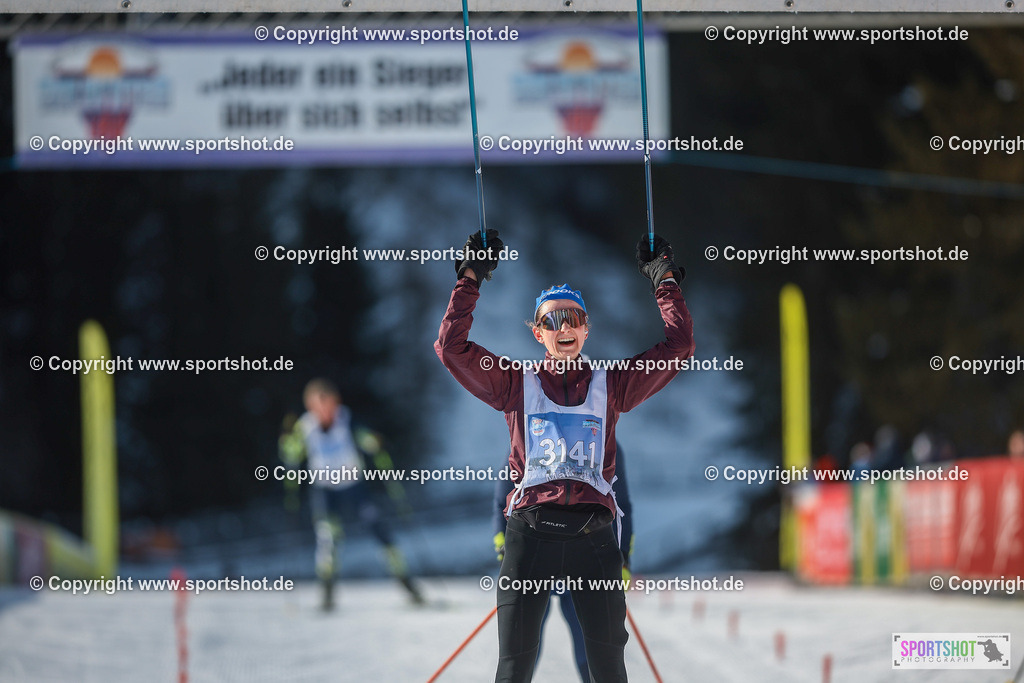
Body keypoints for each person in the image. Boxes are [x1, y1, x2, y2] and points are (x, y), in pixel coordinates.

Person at [435, 228, 694, 683]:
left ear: (586, 328)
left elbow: (679, 348)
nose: (564, 328)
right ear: (539, 333)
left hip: (593, 541)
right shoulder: (515, 383)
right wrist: (470, 277)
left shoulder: (612, 385)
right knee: (514, 668)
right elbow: (451, 349)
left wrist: (664, 280)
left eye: (572, 317)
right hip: (530, 537)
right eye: (552, 321)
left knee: (607, 670)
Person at [491, 441, 634, 683]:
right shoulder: (531, 431)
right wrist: (504, 547)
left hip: (587, 556)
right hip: (534, 553)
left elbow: (621, 504)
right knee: (522, 655)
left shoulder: (605, 438)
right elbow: (503, 496)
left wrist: (622, 557)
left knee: (591, 656)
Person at [278, 378, 424, 611]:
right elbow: (292, 454)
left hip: (354, 486)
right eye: (319, 405)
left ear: (336, 401)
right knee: (328, 540)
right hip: (325, 490)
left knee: (379, 530)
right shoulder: (305, 427)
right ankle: (327, 594)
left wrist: (373, 442)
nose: (325, 410)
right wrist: (287, 441)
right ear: (310, 406)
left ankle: (408, 585)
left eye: (328, 403)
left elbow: (364, 437)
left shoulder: (346, 418)